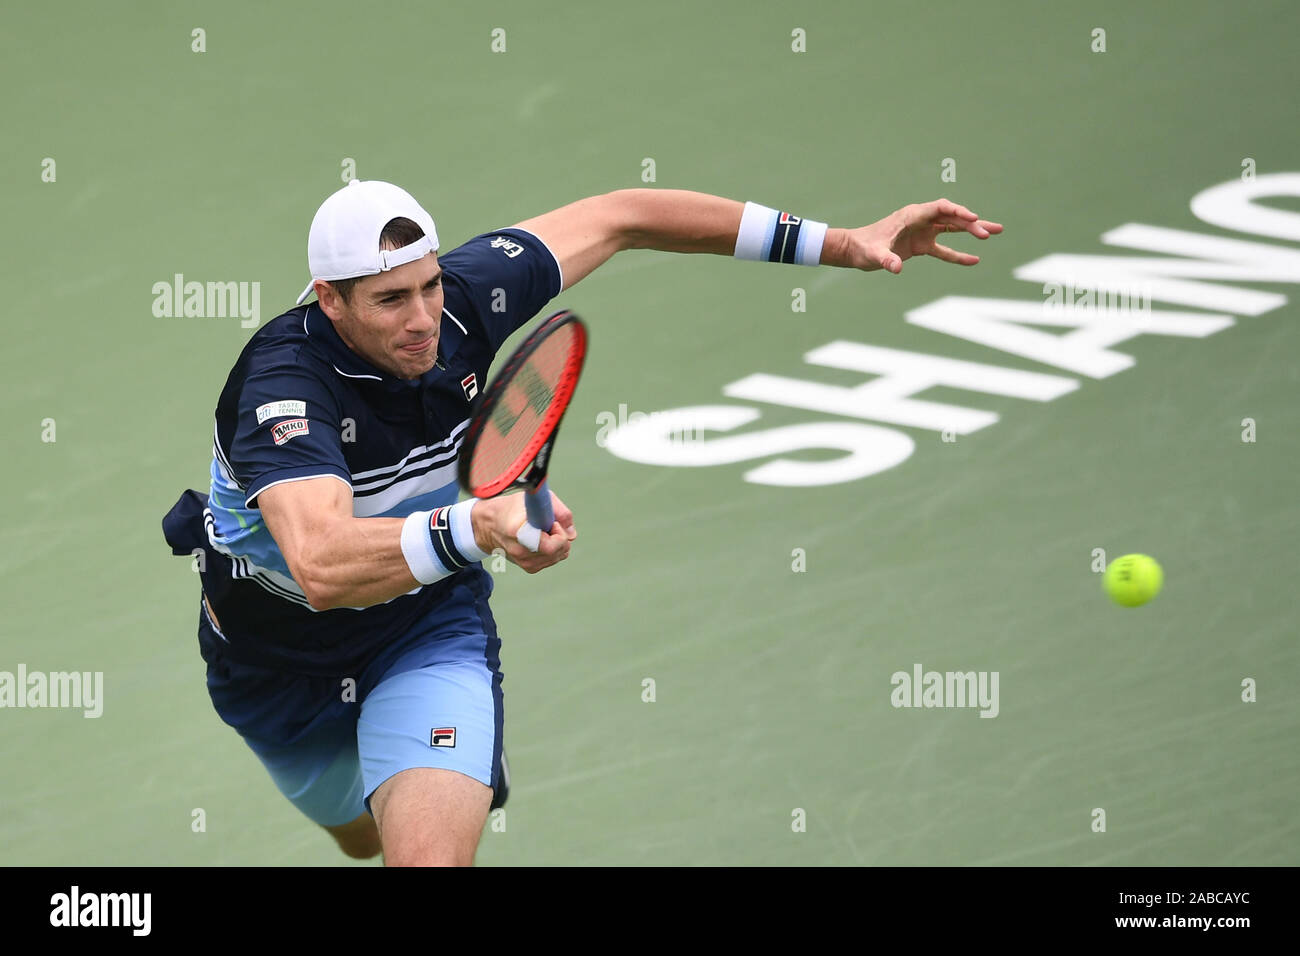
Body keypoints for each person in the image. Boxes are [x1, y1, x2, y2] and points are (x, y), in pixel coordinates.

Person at [162, 180, 1002, 866]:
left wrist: (836, 241)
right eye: (389, 301)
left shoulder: (465, 301)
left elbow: (625, 216)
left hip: (424, 630)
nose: (422, 320)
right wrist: (480, 526)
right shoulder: (285, 386)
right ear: (330, 302)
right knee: (359, 840)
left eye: (428, 286)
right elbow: (320, 562)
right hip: (272, 658)